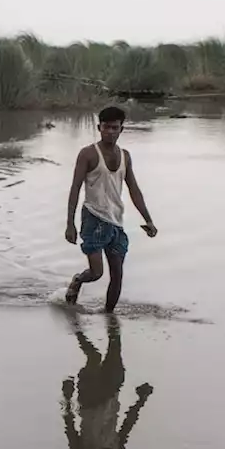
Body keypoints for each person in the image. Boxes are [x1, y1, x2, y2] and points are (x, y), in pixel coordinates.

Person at [64, 106, 157, 312]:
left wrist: (148, 219)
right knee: (97, 273)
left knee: (117, 275)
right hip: (93, 218)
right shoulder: (88, 154)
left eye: (115, 128)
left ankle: (109, 319)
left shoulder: (125, 156)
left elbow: (134, 189)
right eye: (106, 127)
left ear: (121, 129)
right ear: (99, 127)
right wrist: (70, 224)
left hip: (116, 220)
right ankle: (78, 280)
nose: (110, 132)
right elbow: (75, 187)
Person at [60, 312, 154, 449]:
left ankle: (74, 322)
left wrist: (67, 396)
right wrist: (141, 399)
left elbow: (69, 426)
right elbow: (127, 423)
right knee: (115, 342)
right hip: (111, 393)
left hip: (89, 398)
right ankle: (103, 315)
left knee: (94, 356)